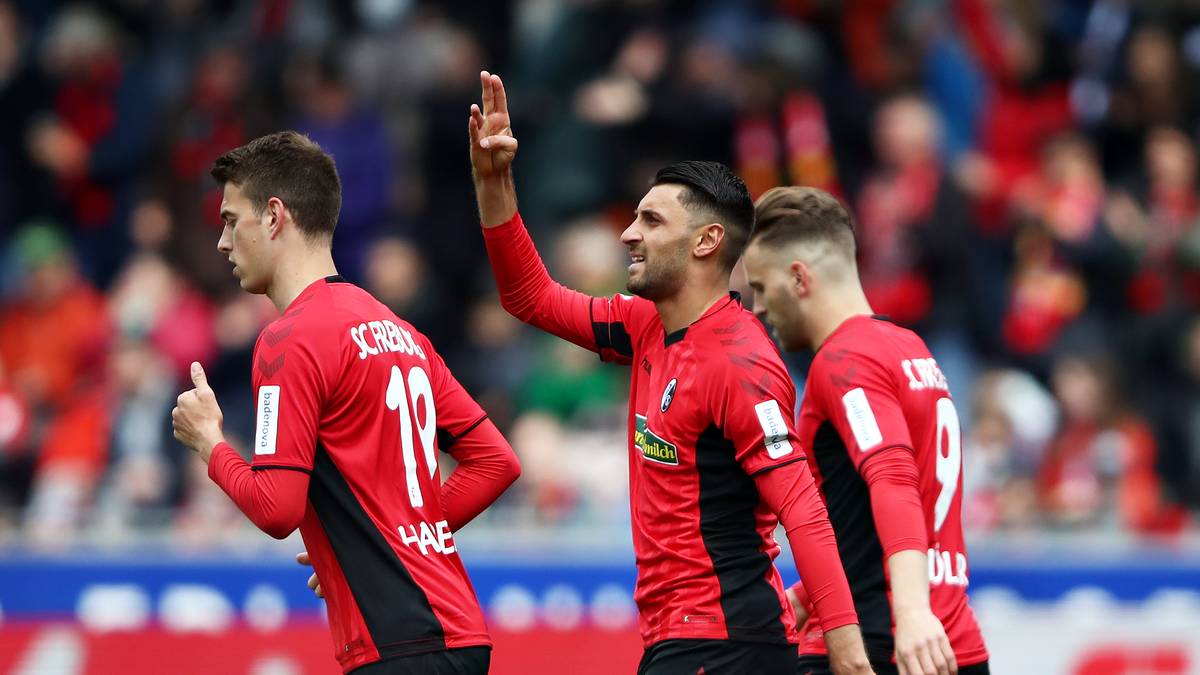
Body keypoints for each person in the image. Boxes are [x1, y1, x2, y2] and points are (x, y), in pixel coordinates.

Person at [469, 71, 872, 675]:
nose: (628, 234)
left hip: (725, 642)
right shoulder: (644, 325)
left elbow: (804, 510)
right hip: (684, 641)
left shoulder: (741, 363)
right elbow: (529, 297)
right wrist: (494, 182)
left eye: (652, 222)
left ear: (707, 241)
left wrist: (846, 650)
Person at [170, 131, 520, 675]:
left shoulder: (288, 340)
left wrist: (210, 442)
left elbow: (276, 508)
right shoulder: (396, 328)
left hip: (395, 643)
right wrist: (386, 542)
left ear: (273, 216)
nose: (222, 242)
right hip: (460, 633)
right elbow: (496, 461)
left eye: (230, 219)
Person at [741, 186, 990, 675]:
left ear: (799, 278)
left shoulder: (845, 361)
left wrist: (912, 612)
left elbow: (893, 480)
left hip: (882, 644)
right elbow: (866, 519)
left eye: (762, 288)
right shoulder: (909, 348)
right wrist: (806, 597)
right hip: (954, 644)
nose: (758, 310)